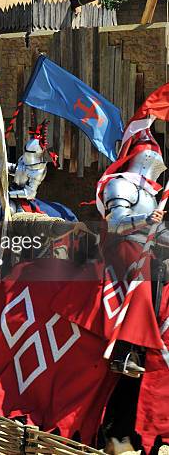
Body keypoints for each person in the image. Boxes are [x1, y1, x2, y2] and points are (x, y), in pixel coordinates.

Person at [100, 128, 169, 377]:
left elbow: (158, 231)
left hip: (145, 245)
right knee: (141, 282)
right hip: (123, 244)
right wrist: (147, 217)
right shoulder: (119, 184)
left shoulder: (150, 194)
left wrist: (153, 222)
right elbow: (116, 223)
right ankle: (124, 352)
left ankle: (147, 345)